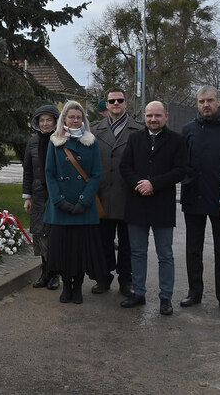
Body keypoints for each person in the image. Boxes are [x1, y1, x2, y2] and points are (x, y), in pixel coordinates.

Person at [119, 101, 187, 315]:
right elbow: (125, 167)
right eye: (149, 116)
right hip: (137, 204)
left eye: (157, 115)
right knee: (137, 253)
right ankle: (138, 293)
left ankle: (165, 298)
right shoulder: (134, 138)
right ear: (144, 117)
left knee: (165, 254)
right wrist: (139, 184)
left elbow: (180, 170)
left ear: (165, 116)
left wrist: (154, 184)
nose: (153, 119)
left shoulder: (177, 140)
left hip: (162, 206)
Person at [180, 85, 220, 314]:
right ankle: (195, 292)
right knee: (193, 249)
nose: (206, 105)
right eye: (201, 101)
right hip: (193, 196)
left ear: (218, 101)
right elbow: (181, 161)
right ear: (197, 103)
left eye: (210, 100)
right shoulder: (188, 129)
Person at [43, 100, 106, 304]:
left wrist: (84, 201)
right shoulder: (55, 141)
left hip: (83, 208)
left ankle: (77, 286)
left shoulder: (92, 142)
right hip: (61, 207)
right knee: (61, 250)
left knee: (80, 251)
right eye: (71, 117)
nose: (75, 120)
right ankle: (66, 286)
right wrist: (59, 201)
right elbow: (50, 174)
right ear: (65, 119)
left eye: (79, 117)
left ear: (83, 120)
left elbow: (96, 174)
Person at [92, 87, 143, 297]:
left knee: (127, 243)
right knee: (103, 241)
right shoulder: (95, 130)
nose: (115, 104)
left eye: (119, 100)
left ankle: (126, 280)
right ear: (106, 103)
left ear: (126, 103)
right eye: (111, 101)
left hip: (127, 196)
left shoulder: (138, 130)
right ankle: (103, 278)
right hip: (102, 195)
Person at [22, 103, 60, 290]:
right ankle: (44, 272)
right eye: (42, 120)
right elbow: (28, 170)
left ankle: (55, 274)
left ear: (55, 121)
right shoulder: (33, 142)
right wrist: (27, 196)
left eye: (49, 120)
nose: (45, 124)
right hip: (38, 195)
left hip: (56, 194)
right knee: (40, 234)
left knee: (54, 235)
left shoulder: (61, 140)